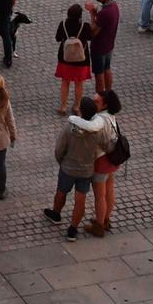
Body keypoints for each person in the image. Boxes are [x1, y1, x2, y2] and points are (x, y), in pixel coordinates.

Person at [43, 95, 105, 242]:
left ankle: (56, 214)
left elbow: (59, 148)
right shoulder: (97, 130)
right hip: (86, 170)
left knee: (61, 191)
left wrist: (61, 161)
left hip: (68, 168)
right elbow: (101, 148)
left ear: (81, 111)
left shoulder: (69, 127)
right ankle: (73, 229)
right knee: (80, 199)